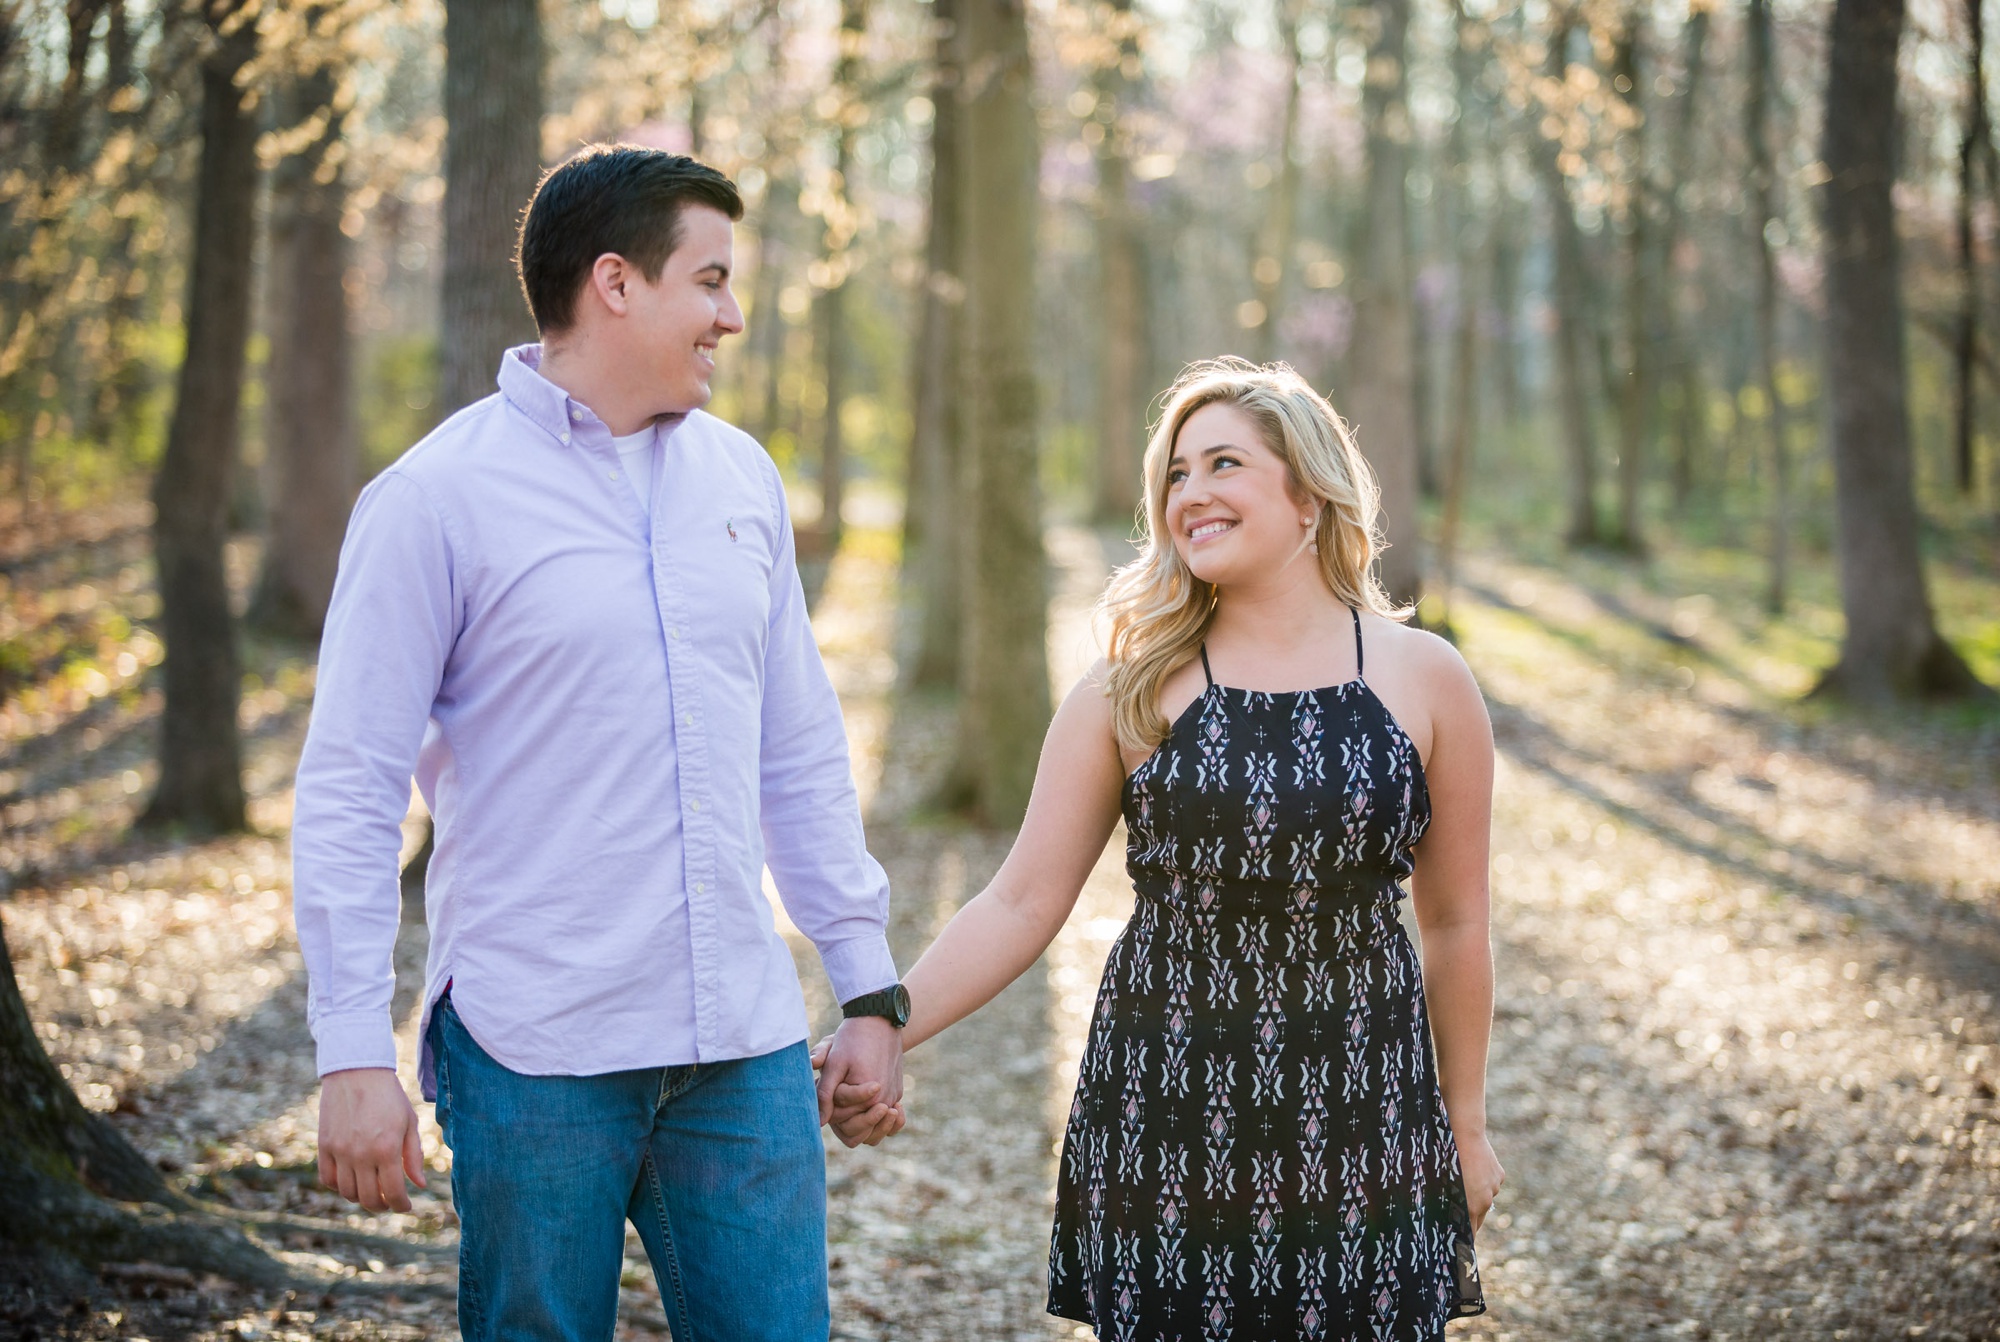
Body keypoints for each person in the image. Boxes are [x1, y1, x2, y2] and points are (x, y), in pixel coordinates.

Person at [291, 145, 910, 1342]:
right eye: (712, 280)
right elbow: (350, 789)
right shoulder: (433, 500)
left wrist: (865, 981)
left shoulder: (743, 479)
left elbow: (798, 747)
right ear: (615, 283)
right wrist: (349, 1047)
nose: (732, 317)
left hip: (741, 1049)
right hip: (537, 1049)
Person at [826, 358, 1501, 1338]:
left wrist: (1465, 1124)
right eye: (1173, 476)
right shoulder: (1127, 689)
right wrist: (885, 1021)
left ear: (1307, 492)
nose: (1190, 494)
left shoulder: (1425, 677)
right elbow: (1018, 902)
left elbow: (1454, 920)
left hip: (1366, 1109)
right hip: (1169, 1112)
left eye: (1221, 463)